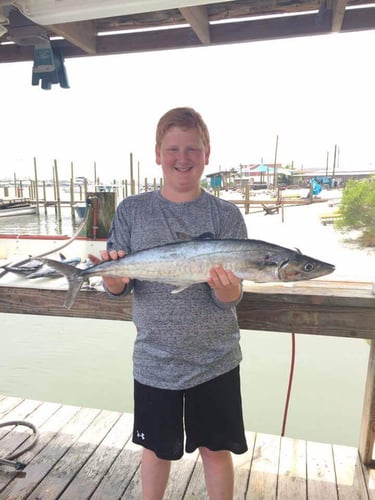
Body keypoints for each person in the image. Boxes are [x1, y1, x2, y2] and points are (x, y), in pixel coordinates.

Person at [91, 107, 248, 499]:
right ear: (158, 153)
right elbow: (118, 286)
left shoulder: (226, 215)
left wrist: (228, 290)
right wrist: (112, 279)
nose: (183, 158)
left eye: (192, 149)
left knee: (216, 450)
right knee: (156, 450)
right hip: (154, 357)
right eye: (173, 149)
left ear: (207, 153)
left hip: (216, 358)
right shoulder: (131, 210)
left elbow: (230, 297)